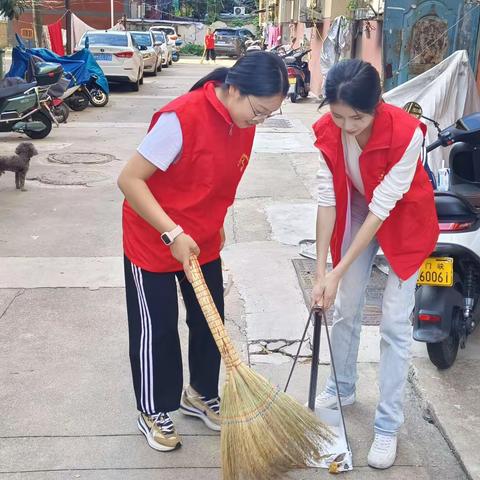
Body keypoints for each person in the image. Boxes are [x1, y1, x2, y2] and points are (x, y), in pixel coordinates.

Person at [117, 51, 288, 452]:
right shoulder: (181, 119)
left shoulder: (243, 122)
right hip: (153, 237)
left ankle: (200, 393)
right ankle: (153, 408)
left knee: (210, 322)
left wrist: (216, 225)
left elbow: (215, 179)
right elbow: (129, 180)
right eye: (258, 110)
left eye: (268, 115)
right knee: (156, 327)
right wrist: (171, 232)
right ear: (234, 89)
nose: (258, 120)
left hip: (201, 239)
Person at [311, 59, 439, 469]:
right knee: (344, 305)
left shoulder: (405, 134)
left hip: (402, 216)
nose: (347, 126)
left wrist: (338, 269)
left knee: (394, 324)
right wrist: (321, 272)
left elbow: (383, 207)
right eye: (337, 115)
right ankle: (343, 385)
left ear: (378, 105)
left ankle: (387, 426)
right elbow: (327, 197)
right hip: (355, 207)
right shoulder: (328, 130)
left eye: (357, 118)